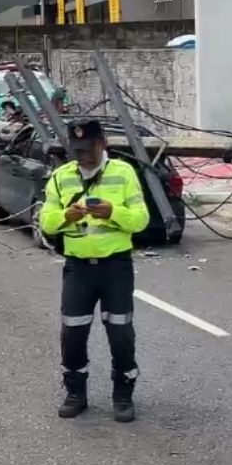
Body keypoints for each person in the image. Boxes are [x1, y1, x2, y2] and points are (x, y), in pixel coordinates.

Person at [39, 118, 150, 422]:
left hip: (116, 267)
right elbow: (46, 222)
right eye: (76, 150)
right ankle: (76, 392)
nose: (82, 155)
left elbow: (141, 220)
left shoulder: (124, 173)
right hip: (77, 269)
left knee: (120, 333)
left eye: (88, 149)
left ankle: (123, 394)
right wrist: (67, 215)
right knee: (72, 333)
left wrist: (113, 212)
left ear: (102, 143)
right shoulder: (61, 177)